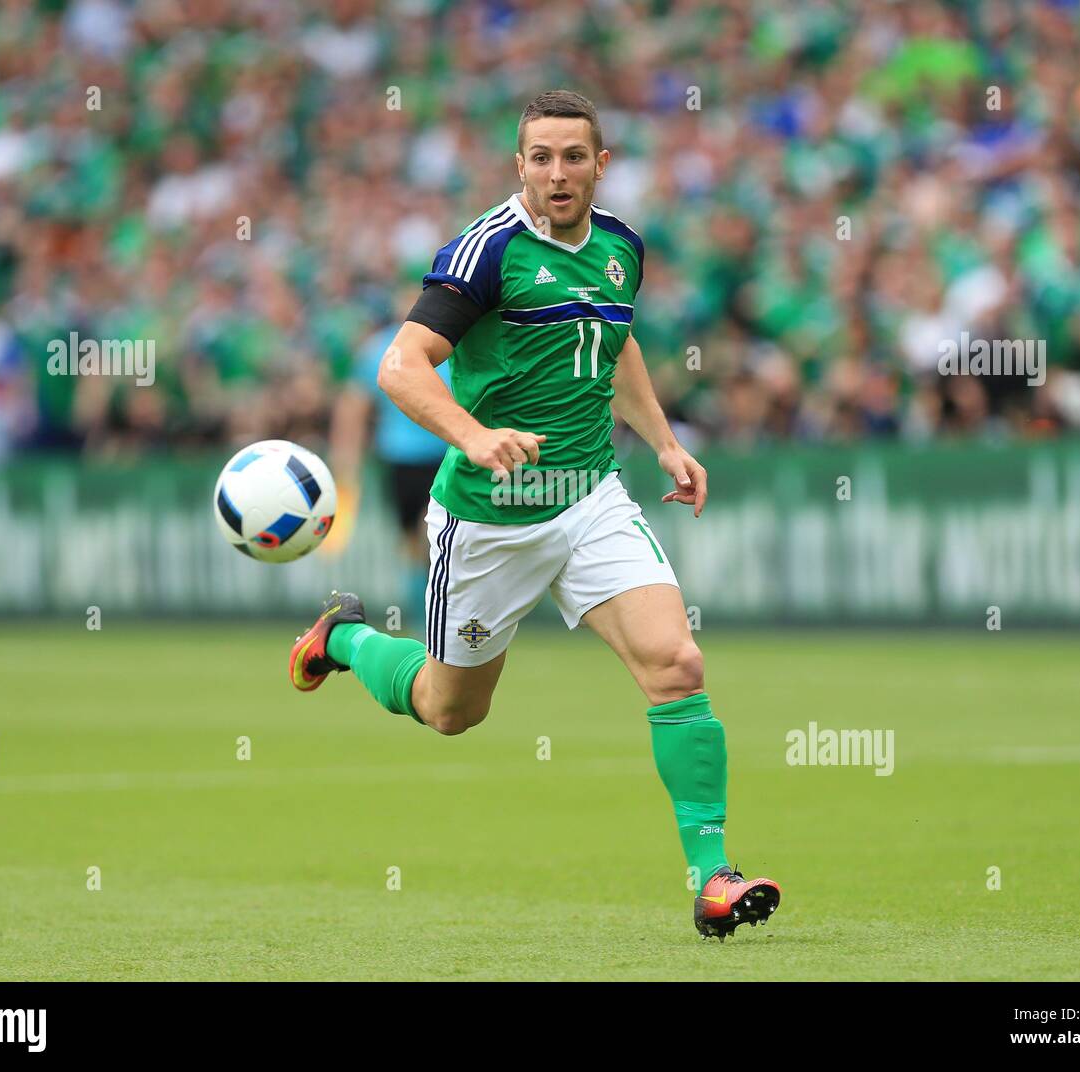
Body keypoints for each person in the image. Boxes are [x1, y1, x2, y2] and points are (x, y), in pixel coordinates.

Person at [288, 90, 780, 940]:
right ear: (519, 166)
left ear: (601, 164)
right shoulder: (486, 253)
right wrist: (474, 436)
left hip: (589, 497)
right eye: (541, 157)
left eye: (573, 157)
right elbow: (402, 367)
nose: (558, 172)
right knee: (452, 711)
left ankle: (712, 877)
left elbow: (616, 341)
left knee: (678, 663)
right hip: (488, 519)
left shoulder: (622, 246)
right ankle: (345, 638)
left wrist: (662, 442)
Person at [329, 284, 452, 625]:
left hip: (444, 456)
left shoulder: (448, 343)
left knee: (431, 538)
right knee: (414, 545)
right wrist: (346, 458)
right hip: (401, 460)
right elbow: (353, 406)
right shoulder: (379, 348)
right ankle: (426, 622)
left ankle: (436, 620)